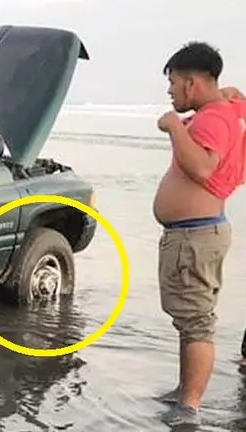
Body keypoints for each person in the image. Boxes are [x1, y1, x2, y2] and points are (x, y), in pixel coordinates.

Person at [153, 41, 246, 427]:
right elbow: (237, 101)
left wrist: (174, 126)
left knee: (196, 323)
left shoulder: (211, 118)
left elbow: (203, 168)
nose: (170, 91)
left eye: (173, 83)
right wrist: (230, 95)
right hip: (194, 234)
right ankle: (184, 392)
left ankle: (189, 407)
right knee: (189, 319)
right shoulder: (224, 110)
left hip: (196, 236)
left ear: (191, 83)